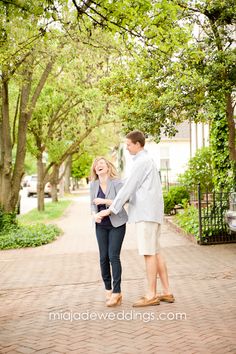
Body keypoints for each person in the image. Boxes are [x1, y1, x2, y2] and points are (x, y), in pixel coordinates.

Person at [96, 130, 175, 307]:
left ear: (138, 144)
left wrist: (110, 210)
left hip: (145, 214)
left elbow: (128, 189)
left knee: (148, 253)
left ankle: (151, 295)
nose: (127, 147)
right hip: (152, 213)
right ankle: (167, 292)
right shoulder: (147, 161)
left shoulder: (141, 162)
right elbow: (129, 185)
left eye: (129, 144)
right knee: (156, 251)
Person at [90, 157, 128, 307]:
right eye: (96, 164)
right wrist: (94, 215)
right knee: (103, 258)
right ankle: (108, 289)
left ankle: (117, 292)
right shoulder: (93, 185)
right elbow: (92, 205)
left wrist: (104, 202)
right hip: (101, 225)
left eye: (101, 163)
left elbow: (122, 200)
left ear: (107, 167)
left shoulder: (117, 182)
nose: (98, 166)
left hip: (117, 223)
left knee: (113, 256)